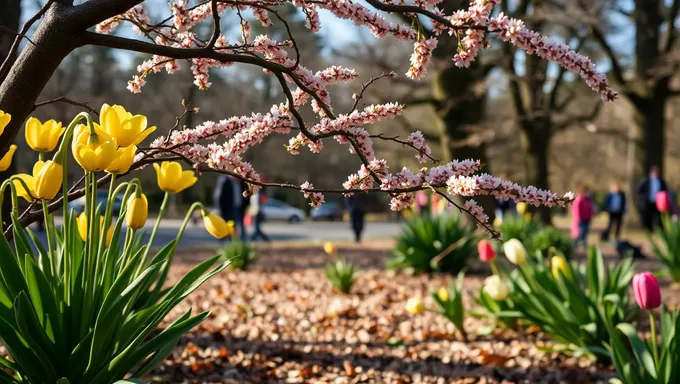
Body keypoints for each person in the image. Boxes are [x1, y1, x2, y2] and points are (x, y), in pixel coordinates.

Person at [636, 165, 668, 231]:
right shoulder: (645, 180)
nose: (656, 173)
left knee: (658, 217)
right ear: (651, 172)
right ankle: (648, 230)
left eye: (657, 172)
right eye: (655, 172)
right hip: (648, 202)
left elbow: (665, 191)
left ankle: (659, 230)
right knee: (648, 216)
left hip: (658, 202)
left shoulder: (661, 181)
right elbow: (639, 190)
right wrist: (642, 199)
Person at [571, 184, 595, 249]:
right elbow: (576, 209)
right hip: (580, 219)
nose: (587, 193)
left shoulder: (589, 200)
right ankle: (574, 245)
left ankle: (583, 245)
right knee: (578, 233)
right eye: (586, 191)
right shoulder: (579, 199)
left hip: (587, 219)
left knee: (585, 232)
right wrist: (577, 217)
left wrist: (591, 216)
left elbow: (590, 209)